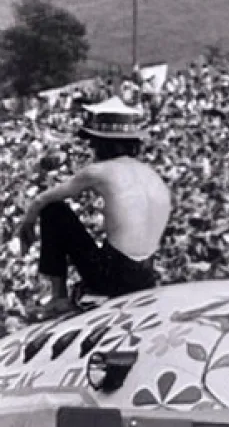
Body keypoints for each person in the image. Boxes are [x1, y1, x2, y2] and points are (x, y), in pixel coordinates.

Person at [13, 97, 172, 317]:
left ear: (101, 143)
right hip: (146, 277)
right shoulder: (152, 175)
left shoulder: (99, 171)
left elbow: (42, 200)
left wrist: (27, 224)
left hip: (113, 276)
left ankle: (58, 298)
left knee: (54, 211)